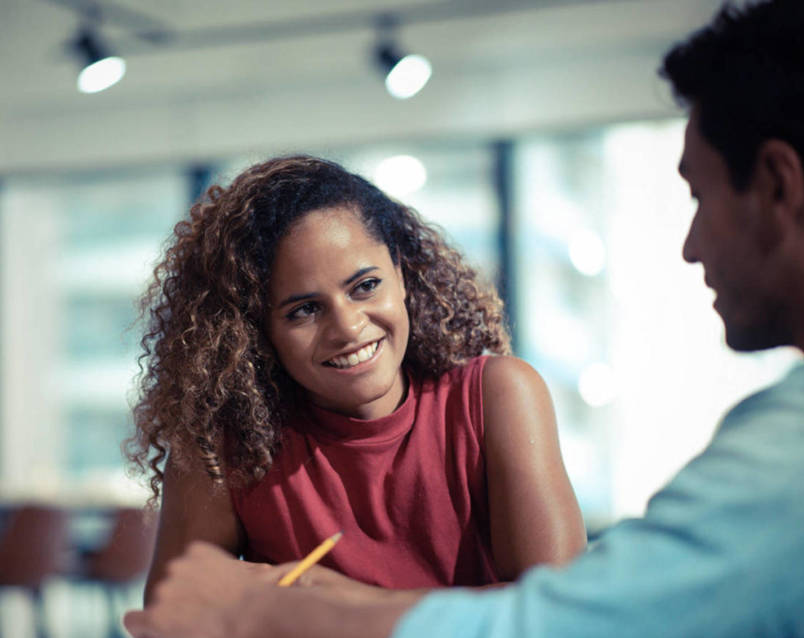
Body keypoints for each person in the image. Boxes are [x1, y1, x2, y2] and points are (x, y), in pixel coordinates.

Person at [123, 0, 804, 638]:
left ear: (778, 185)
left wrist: (276, 612)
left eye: (698, 198)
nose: (691, 246)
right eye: (303, 309)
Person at [126, 155, 586, 599]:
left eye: (365, 286)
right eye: (304, 310)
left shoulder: (497, 396)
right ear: (256, 331)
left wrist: (336, 607)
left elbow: (557, 607)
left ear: (402, 275)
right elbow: (174, 612)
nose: (347, 328)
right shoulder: (225, 442)